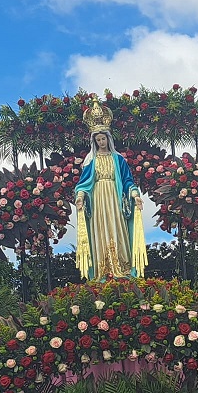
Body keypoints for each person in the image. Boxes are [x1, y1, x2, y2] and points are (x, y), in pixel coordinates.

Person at [75, 98, 147, 280]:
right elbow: (84, 183)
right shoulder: (91, 160)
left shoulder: (118, 159)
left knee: (118, 228)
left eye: (103, 138)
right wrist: (81, 196)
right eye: (98, 139)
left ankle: (122, 269)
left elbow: (127, 180)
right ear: (94, 141)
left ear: (108, 138)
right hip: (98, 198)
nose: (101, 142)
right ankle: (102, 271)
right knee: (100, 231)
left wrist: (134, 195)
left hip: (114, 198)